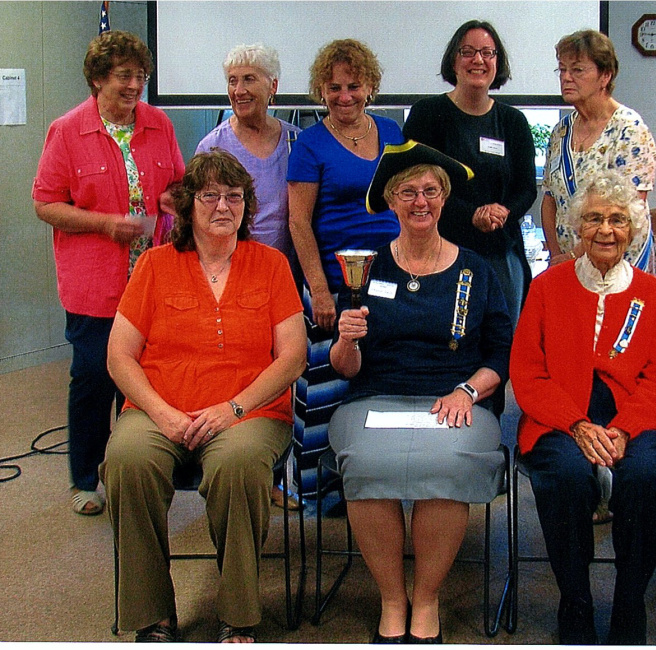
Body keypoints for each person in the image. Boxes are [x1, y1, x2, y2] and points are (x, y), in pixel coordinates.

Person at [101, 151, 306, 643]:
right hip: (160, 408)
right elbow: (119, 357)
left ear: (247, 206)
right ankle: (151, 612)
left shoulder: (271, 264)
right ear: (188, 205)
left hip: (249, 411)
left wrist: (233, 407)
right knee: (127, 458)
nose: (222, 206)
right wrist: (162, 414)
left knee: (237, 464)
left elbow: (293, 357)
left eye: (234, 196)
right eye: (210, 195)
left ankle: (237, 613)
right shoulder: (153, 265)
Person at [328, 142, 511, 644]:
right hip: (372, 397)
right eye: (407, 192)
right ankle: (392, 597)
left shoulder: (475, 269)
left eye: (430, 190)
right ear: (391, 201)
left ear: (445, 197)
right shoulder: (365, 269)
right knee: (366, 462)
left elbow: (500, 355)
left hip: (455, 398)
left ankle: (426, 597)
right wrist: (346, 339)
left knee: (448, 461)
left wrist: (467, 392)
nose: (420, 201)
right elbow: (346, 368)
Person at [510, 170, 656, 645]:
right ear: (576, 228)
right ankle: (576, 598)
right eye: (593, 219)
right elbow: (527, 371)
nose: (605, 230)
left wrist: (626, 429)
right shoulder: (548, 286)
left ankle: (630, 600)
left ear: (632, 229)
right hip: (560, 413)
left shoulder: (653, 293)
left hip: (639, 417)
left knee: (646, 477)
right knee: (565, 475)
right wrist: (576, 423)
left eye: (616, 220)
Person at [32, 30, 184, 516]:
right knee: (95, 378)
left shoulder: (158, 123)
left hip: (152, 278)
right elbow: (45, 204)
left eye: (141, 76)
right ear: (97, 79)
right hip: (94, 285)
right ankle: (84, 478)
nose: (135, 84)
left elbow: (178, 183)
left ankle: (131, 474)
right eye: (124, 76)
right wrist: (104, 224)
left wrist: (170, 201)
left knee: (145, 380)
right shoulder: (68, 129)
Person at [287, 39, 404, 507]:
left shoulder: (393, 131)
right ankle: (320, 491)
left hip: (392, 277)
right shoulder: (310, 144)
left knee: (383, 377)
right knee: (324, 387)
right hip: (332, 282)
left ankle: (380, 488)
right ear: (321, 90)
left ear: (370, 86)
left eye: (354, 85)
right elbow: (298, 221)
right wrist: (319, 290)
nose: (344, 96)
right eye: (333, 87)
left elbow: (409, 193)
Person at [196, 43, 304, 511]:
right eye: (233, 82)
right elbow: (200, 216)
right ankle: (231, 467)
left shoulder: (298, 142)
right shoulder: (213, 145)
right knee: (240, 369)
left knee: (286, 373)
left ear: (273, 87)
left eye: (250, 80)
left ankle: (276, 476)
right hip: (232, 281)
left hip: (287, 277)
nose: (240, 90)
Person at [403, 20, 537, 326]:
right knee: (443, 342)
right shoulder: (426, 115)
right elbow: (416, 186)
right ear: (453, 60)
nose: (478, 60)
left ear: (497, 62)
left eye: (488, 53)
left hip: (500, 251)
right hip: (437, 251)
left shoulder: (513, 122)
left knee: (501, 345)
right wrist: (471, 215)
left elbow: (526, 188)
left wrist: (501, 212)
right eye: (468, 52)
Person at [541, 29, 656, 274]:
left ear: (605, 76)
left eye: (577, 70)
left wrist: (575, 256)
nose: (566, 77)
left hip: (618, 267)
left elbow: (626, 214)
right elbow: (550, 200)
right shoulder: (561, 131)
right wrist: (557, 256)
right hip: (568, 267)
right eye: (562, 69)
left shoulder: (629, 129)